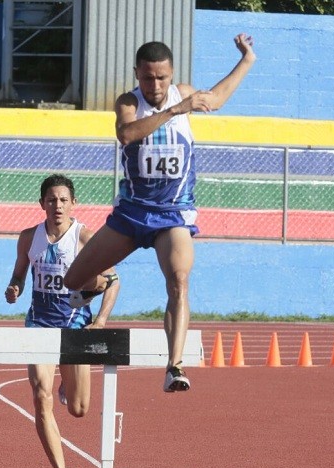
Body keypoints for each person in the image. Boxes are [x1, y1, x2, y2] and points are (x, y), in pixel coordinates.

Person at [64, 34, 256, 393]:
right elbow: (127, 134)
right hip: (132, 214)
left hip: (173, 214)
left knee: (179, 280)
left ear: (172, 75)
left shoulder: (183, 92)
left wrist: (246, 59)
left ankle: (174, 366)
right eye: (148, 78)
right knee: (72, 282)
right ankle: (103, 283)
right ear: (137, 74)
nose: (155, 85)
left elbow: (216, 98)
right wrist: (174, 110)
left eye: (162, 78)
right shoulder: (129, 102)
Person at [5, 173, 119, 468]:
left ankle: (68, 385)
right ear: (42, 203)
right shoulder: (29, 238)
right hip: (39, 325)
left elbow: (113, 281)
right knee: (40, 396)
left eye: (63, 200)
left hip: (74, 326)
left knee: (79, 409)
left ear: (73, 203)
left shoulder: (85, 238)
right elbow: (18, 275)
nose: (57, 205)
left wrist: (100, 321)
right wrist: (14, 288)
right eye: (52, 200)